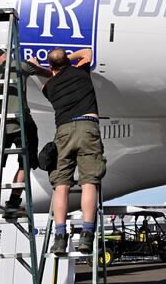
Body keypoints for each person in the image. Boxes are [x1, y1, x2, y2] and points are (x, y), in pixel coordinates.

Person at [34, 47, 106, 255]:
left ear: (51, 67)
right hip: (88, 127)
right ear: (66, 61)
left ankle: (59, 238)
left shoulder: (49, 87)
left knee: (61, 186)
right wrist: (67, 59)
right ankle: (87, 234)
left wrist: (39, 66)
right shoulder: (80, 71)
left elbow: (48, 76)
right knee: (89, 182)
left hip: (63, 131)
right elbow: (87, 52)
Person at [0, 49, 49, 218]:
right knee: (25, 163)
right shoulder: (20, 65)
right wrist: (35, 63)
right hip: (20, 124)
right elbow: (48, 74)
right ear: (5, 54)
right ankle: (13, 204)